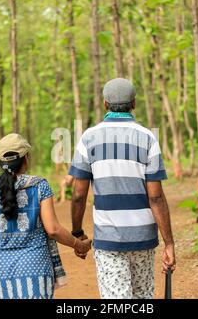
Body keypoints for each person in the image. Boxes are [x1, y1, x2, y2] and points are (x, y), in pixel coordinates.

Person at [69, 78, 176, 299]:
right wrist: (169, 243)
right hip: (143, 237)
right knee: (142, 297)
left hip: (109, 239)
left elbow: (79, 195)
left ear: (105, 104)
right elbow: (156, 197)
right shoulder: (148, 137)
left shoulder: (88, 138)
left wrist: (78, 233)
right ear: (134, 103)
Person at [0, 133, 91, 299]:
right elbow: (53, 229)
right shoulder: (39, 186)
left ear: (1, 162)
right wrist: (78, 245)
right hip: (35, 270)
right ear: (26, 158)